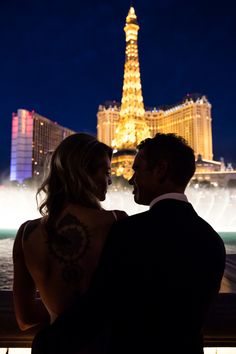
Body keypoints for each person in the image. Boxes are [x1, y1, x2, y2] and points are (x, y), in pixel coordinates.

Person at [31, 133, 226, 354]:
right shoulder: (212, 241)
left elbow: (98, 305)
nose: (131, 180)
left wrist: (46, 341)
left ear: (160, 170)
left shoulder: (128, 232)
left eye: (137, 170)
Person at [12, 133, 127, 337]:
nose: (109, 181)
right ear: (84, 173)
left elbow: (26, 318)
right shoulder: (117, 222)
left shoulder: (26, 234)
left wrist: (59, 315)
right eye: (106, 172)